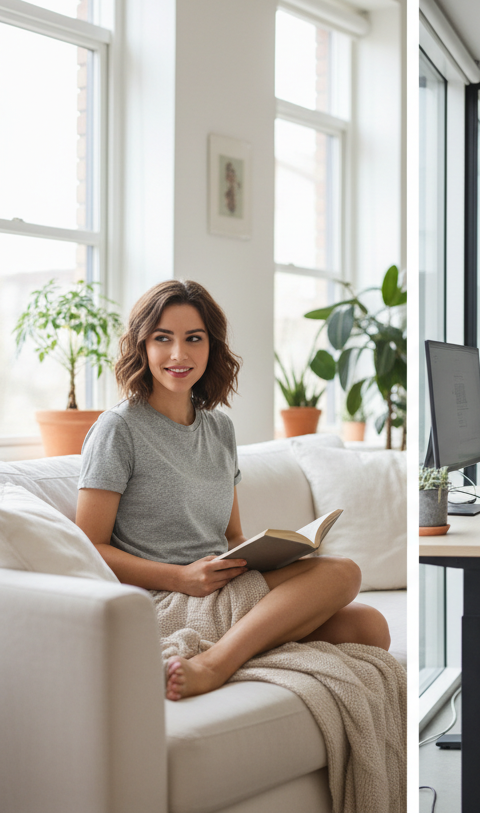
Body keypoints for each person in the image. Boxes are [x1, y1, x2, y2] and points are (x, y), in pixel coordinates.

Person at [75, 279, 390, 702]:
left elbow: (232, 536)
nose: (178, 354)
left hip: (220, 585)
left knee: (370, 628)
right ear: (142, 346)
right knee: (344, 572)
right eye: (162, 339)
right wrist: (182, 577)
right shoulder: (118, 429)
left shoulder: (220, 428)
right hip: (169, 599)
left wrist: (276, 554)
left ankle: (241, 645)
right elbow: (90, 546)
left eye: (194, 339)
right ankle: (214, 663)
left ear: (212, 347)